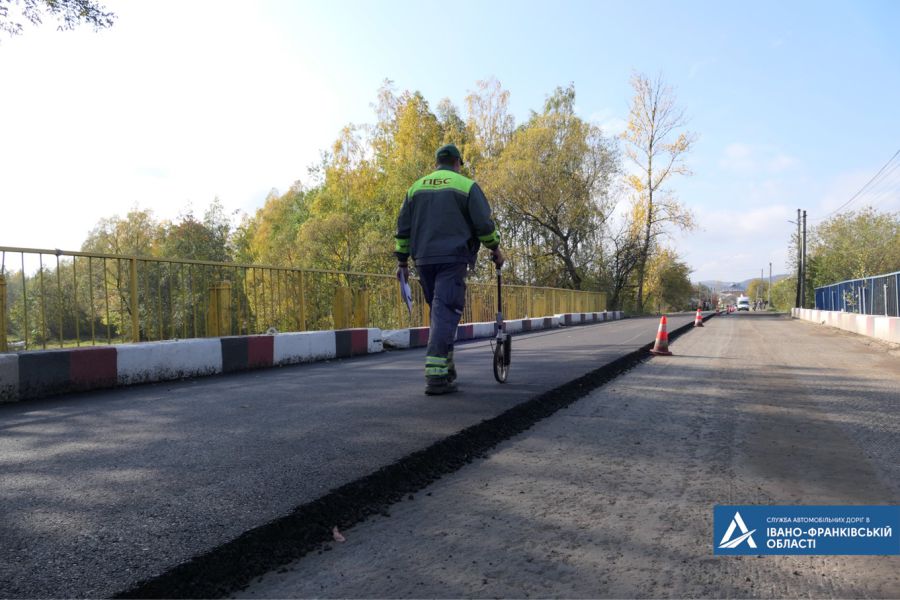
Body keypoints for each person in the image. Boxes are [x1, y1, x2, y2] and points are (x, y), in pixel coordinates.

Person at [395, 143, 504, 395]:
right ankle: (435, 376)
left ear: (436, 163)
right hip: (452, 258)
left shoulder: (415, 188)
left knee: (439, 315)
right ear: (457, 163)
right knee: (445, 313)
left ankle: (447, 369)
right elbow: (484, 225)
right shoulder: (466, 186)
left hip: (423, 260)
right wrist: (495, 248)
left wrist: (402, 263)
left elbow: (403, 229)